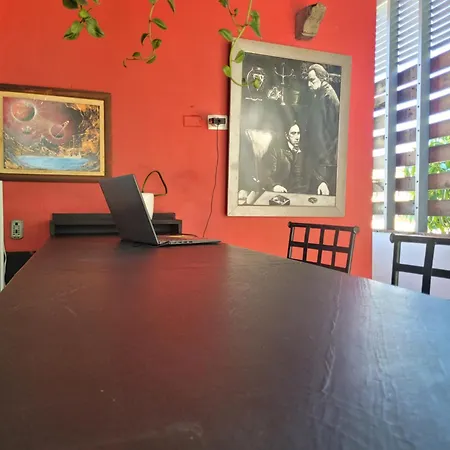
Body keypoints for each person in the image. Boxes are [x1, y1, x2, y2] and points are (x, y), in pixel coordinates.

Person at [305, 63, 340, 196]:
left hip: (325, 158)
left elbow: (332, 132)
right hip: (319, 155)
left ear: (322, 79)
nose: (309, 84)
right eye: (308, 80)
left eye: (312, 80)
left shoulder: (328, 97)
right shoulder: (319, 94)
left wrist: (324, 158)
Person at [262, 122, 310, 194]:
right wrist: (274, 186)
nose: (297, 137)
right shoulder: (276, 150)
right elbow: (265, 174)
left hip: (302, 193)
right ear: (286, 136)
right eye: (293, 133)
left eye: (298, 133)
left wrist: (320, 183)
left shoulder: (304, 150)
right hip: (282, 193)